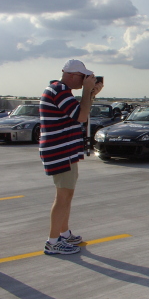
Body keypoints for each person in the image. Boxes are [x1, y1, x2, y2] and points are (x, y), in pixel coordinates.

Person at [40, 59, 103, 254]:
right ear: (73, 76)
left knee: (67, 194)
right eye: (84, 77)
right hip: (59, 151)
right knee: (63, 196)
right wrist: (87, 91)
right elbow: (82, 117)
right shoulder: (59, 91)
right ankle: (53, 241)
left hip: (64, 150)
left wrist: (91, 94)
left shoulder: (61, 91)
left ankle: (64, 233)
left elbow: (81, 112)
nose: (85, 81)